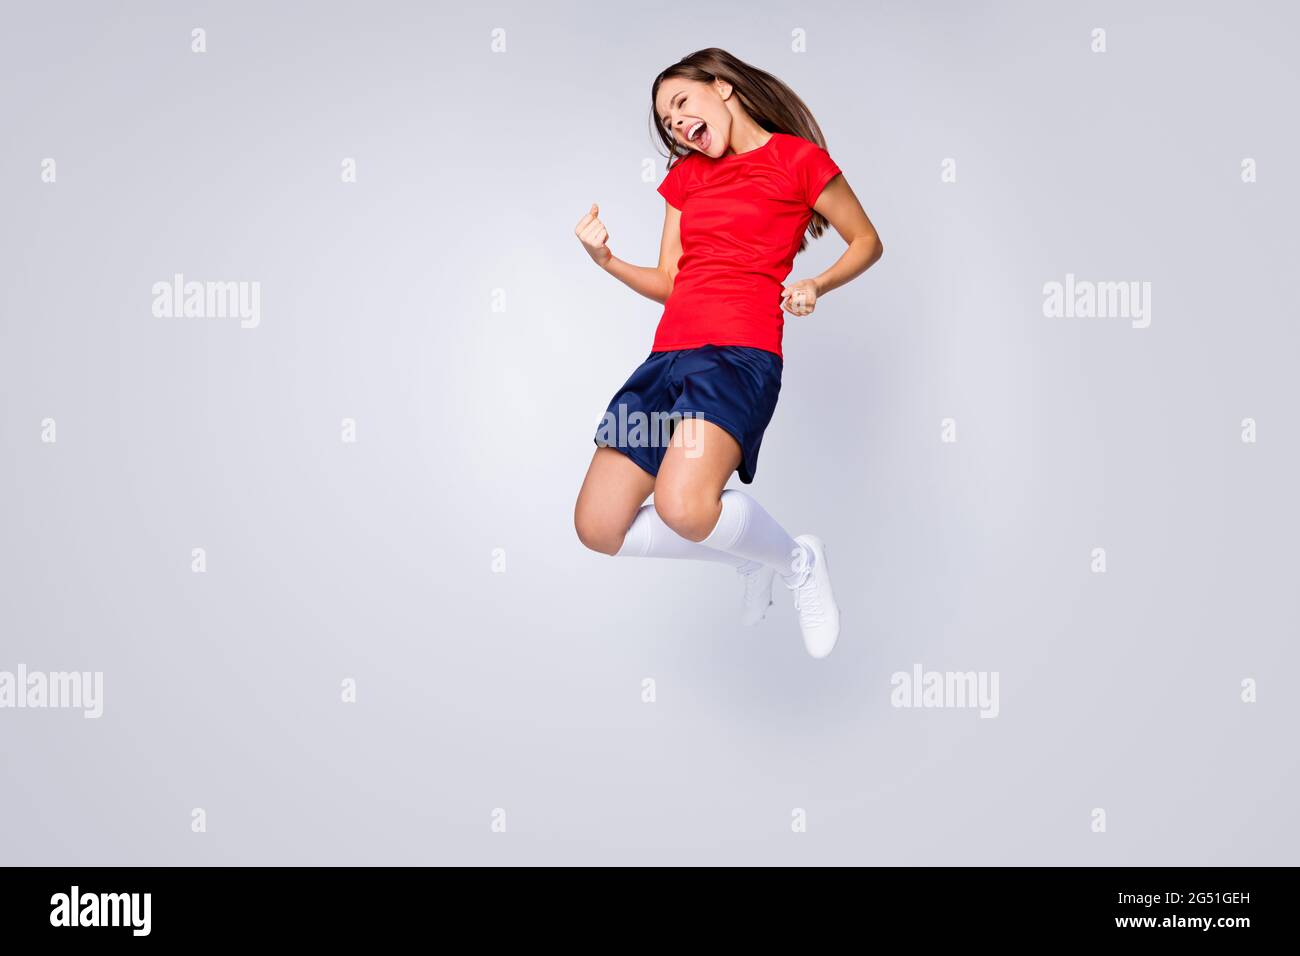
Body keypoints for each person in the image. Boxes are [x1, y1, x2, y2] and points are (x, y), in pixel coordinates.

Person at [573, 48, 884, 659]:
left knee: (685, 506)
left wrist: (816, 284)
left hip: (738, 354)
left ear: (722, 87)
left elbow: (867, 240)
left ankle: (795, 560)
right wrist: (605, 260)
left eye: (681, 103)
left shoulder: (797, 161)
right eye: (666, 122)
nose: (677, 124)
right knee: (598, 527)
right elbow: (670, 280)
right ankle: (748, 554)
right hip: (666, 358)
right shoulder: (686, 178)